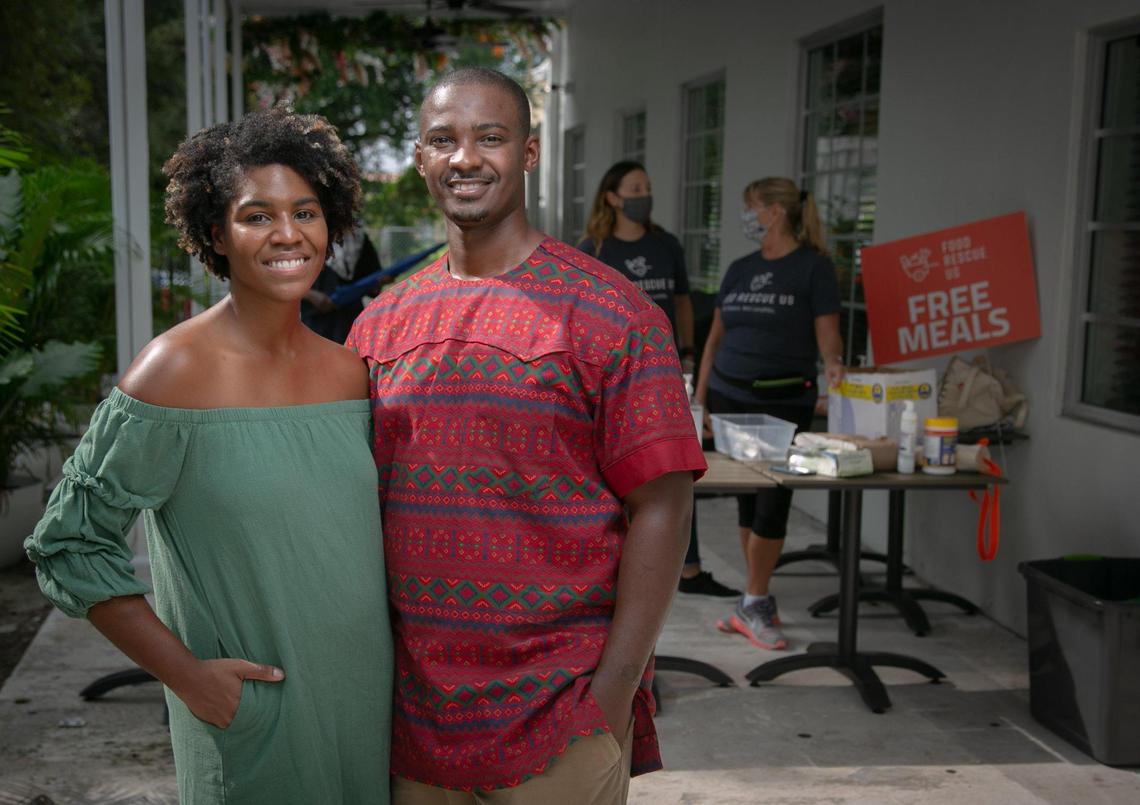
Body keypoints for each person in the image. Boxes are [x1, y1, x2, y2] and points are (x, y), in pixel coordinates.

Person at [347, 67, 706, 803]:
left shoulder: (613, 314)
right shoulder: (379, 325)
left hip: (560, 714)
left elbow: (664, 507)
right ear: (420, 159)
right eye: (443, 140)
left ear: (530, 152)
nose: (465, 158)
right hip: (413, 723)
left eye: (490, 137)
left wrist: (613, 694)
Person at [24, 108, 393, 804]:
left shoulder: (351, 372)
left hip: (366, 710)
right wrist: (188, 677)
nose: (288, 234)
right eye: (257, 216)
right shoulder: (173, 371)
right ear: (216, 234)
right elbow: (70, 543)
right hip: (255, 721)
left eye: (305, 212)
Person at [694, 177, 845, 651]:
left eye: (752, 206)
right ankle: (754, 598)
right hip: (729, 396)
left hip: (783, 402)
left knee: (772, 500)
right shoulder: (741, 269)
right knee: (747, 500)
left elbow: (828, 337)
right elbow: (714, 340)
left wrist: (836, 373)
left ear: (774, 212)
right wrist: (700, 397)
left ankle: (755, 599)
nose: (748, 216)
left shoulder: (813, 268)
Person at [578, 161, 737, 599]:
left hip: (665, 372)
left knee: (674, 469)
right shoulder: (594, 248)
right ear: (612, 197)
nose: (644, 195)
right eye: (635, 188)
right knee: (620, 471)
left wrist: (687, 351)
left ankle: (689, 568)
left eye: (646, 187)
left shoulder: (666, 244)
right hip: (614, 376)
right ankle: (621, 566)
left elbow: (682, 302)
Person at [301, 226, 382, 344]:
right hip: (313, 322)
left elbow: (373, 282)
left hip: (350, 324)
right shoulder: (305, 236)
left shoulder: (359, 238)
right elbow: (282, 280)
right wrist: (309, 294)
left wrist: (376, 283)